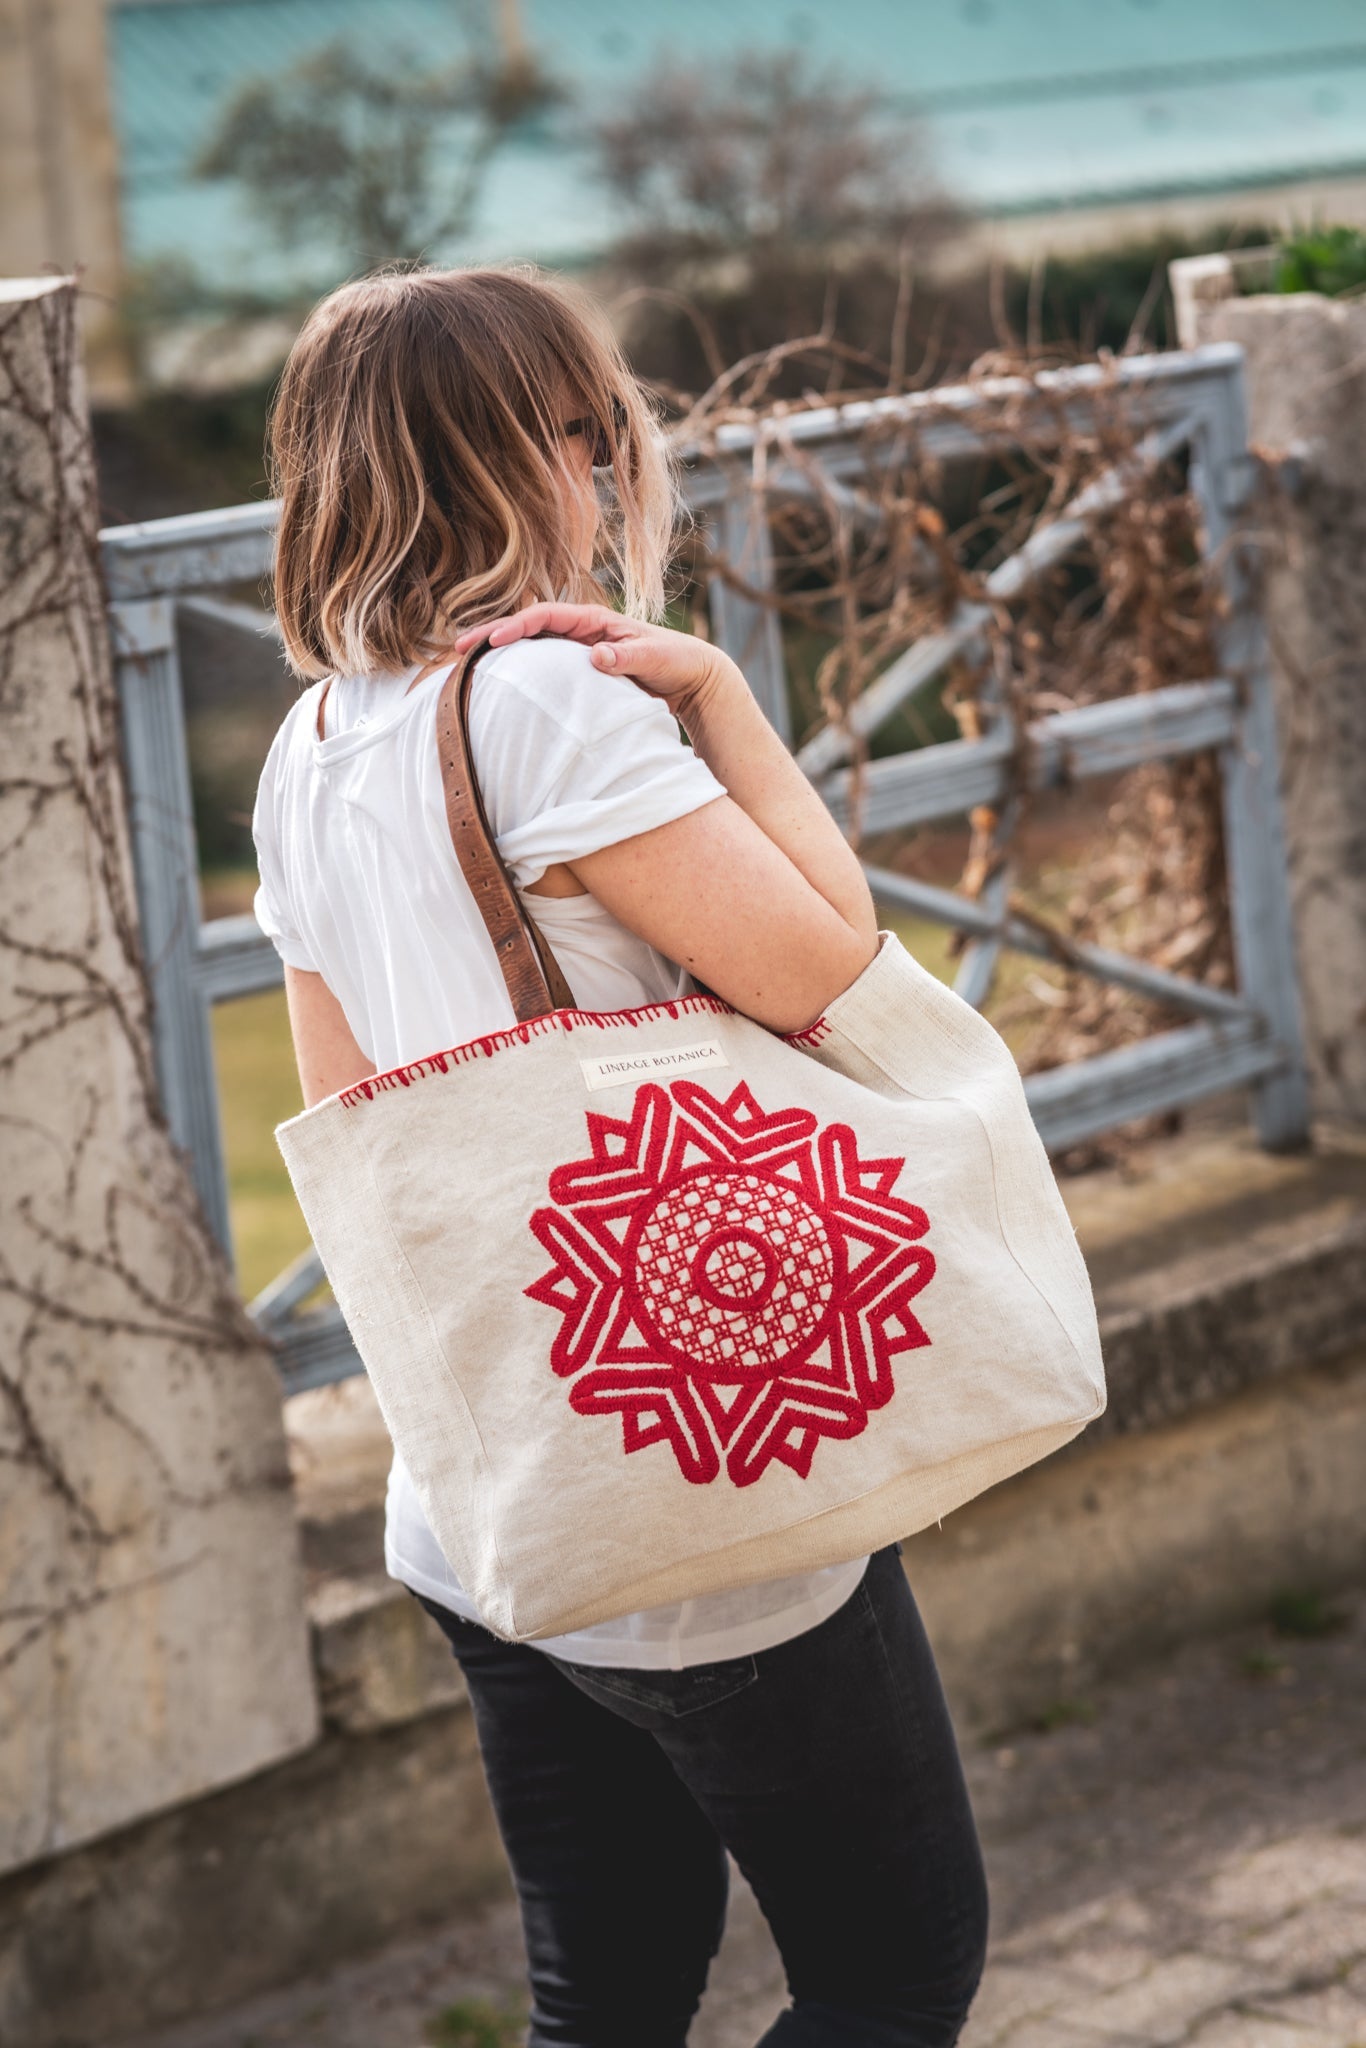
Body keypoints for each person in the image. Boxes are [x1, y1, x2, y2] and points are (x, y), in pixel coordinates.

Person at [252, 266, 988, 2047]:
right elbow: (833, 977)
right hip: (703, 1473)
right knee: (892, 1968)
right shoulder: (552, 707)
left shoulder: (309, 744)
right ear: (528, 456)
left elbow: (361, 1140)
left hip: (491, 1494)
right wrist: (726, 703)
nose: (603, 472)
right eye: (583, 434)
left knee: (609, 1994)